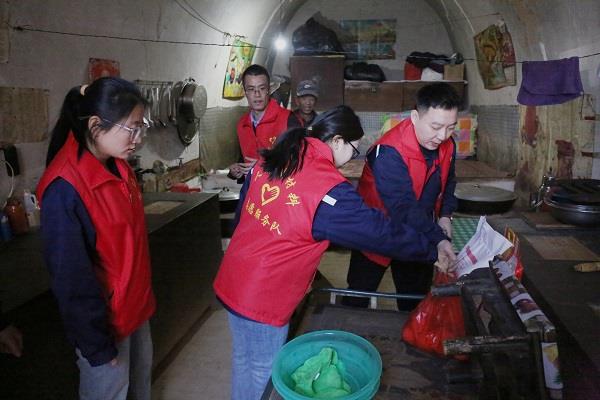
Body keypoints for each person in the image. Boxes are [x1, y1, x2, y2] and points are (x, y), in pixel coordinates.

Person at [213, 105, 447, 400]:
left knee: (244, 359)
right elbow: (379, 232)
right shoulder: (327, 190)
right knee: (263, 370)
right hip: (264, 294)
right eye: (353, 149)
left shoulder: (277, 156)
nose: (352, 157)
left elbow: (242, 216)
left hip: (234, 275)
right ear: (337, 141)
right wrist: (430, 249)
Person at [36, 77, 155, 400]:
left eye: (141, 127)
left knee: (140, 387)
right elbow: (72, 280)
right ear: (95, 125)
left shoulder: (119, 166)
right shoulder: (64, 189)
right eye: (131, 129)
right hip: (106, 325)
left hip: (136, 308)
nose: (138, 139)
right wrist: (97, 345)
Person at [342, 82, 459, 311]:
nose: (442, 136)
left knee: (414, 300)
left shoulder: (448, 146)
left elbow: (449, 181)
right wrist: (438, 239)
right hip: (376, 232)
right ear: (415, 117)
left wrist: (445, 215)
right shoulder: (389, 151)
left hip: (418, 231)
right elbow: (403, 207)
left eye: (450, 127)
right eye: (435, 126)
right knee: (358, 294)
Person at [228, 64, 296, 180]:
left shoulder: (289, 119)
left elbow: (300, 162)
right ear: (245, 92)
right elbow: (244, 159)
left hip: (281, 188)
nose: (257, 94)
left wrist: (263, 167)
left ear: (269, 90)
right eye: (251, 89)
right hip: (253, 189)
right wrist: (236, 171)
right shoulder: (242, 125)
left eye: (262, 88)